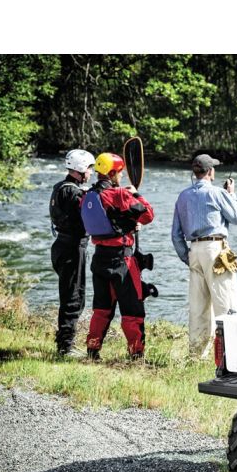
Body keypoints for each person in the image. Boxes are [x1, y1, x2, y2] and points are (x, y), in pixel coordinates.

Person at [82, 152, 154, 360]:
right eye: (120, 172)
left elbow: (109, 219)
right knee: (132, 309)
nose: (121, 176)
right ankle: (136, 355)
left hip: (99, 259)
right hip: (122, 261)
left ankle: (92, 351)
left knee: (101, 309)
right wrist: (137, 194)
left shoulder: (88, 196)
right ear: (112, 173)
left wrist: (129, 223)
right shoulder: (119, 194)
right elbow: (148, 214)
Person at [172, 153, 237, 357]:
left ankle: (196, 355)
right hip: (215, 249)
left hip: (194, 251)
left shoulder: (183, 196)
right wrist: (231, 194)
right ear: (210, 171)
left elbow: (176, 235)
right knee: (225, 301)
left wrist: (187, 257)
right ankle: (228, 354)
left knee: (198, 306)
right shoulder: (217, 193)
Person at [49, 149, 95, 357]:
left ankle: (64, 342)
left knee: (71, 294)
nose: (91, 172)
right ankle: (65, 347)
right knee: (73, 297)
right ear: (80, 168)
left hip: (61, 245)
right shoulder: (73, 193)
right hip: (72, 249)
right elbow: (88, 215)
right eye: (89, 169)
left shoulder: (60, 187)